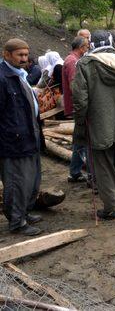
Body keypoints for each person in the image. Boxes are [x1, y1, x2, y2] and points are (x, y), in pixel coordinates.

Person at [72, 31, 115, 220]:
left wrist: (80, 123)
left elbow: (80, 99)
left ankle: (111, 208)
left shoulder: (85, 65)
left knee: (103, 167)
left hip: (99, 123)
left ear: (92, 44)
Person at [0, 39, 44, 236]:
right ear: (7, 54)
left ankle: (25, 211)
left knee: (31, 180)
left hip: (30, 135)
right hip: (14, 141)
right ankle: (17, 221)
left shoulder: (20, 75)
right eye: (20, 55)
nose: (24, 59)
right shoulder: (2, 78)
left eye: (26, 55)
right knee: (17, 182)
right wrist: (12, 134)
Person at [62, 36, 89, 183]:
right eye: (86, 47)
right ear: (81, 47)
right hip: (78, 107)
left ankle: (75, 171)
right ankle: (76, 172)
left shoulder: (71, 59)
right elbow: (75, 86)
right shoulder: (73, 61)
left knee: (81, 139)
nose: (88, 49)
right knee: (82, 139)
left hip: (77, 106)